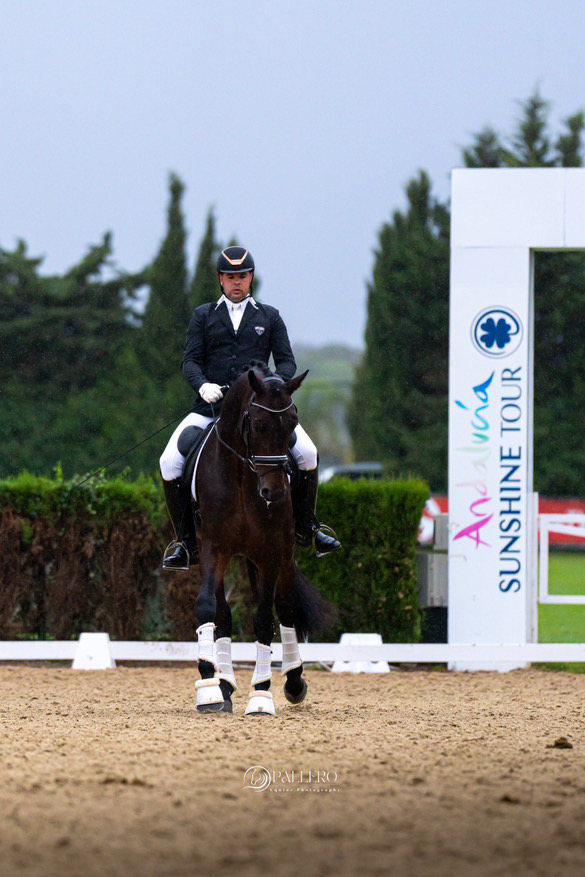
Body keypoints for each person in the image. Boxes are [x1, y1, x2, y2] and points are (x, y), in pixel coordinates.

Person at [159, 245, 341, 570]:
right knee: (169, 461)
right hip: (211, 409)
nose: (236, 283)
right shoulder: (203, 316)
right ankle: (185, 543)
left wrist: (273, 388)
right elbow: (190, 361)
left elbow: (286, 362)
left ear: (251, 277)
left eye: (242, 276)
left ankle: (309, 528)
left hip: (263, 411)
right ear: (220, 280)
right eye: (230, 277)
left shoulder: (269, 316)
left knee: (309, 454)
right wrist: (203, 385)